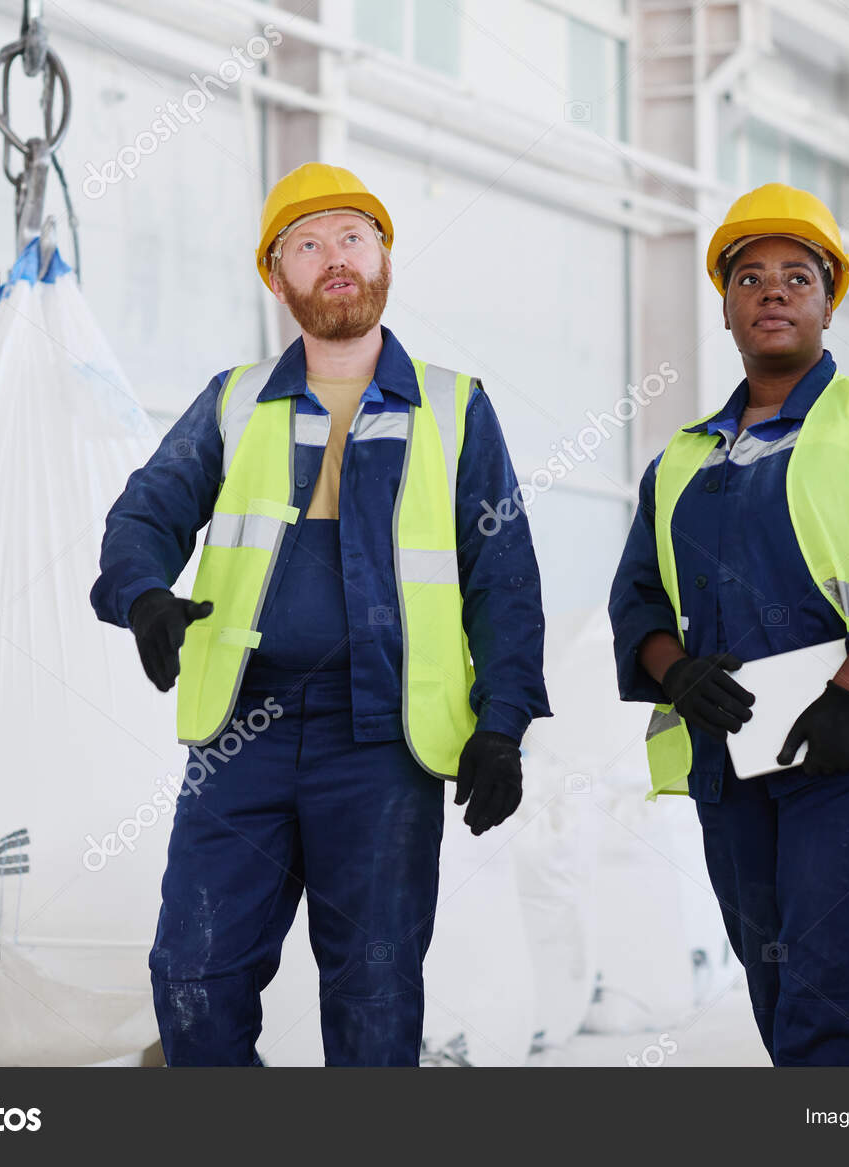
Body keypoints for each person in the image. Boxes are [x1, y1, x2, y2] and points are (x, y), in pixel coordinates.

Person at [91, 162, 550, 1066]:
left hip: (383, 742)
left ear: (383, 257)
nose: (332, 258)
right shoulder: (234, 400)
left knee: (373, 998)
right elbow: (143, 514)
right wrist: (142, 594)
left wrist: (503, 725)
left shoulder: (455, 408)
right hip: (242, 734)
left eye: (351, 237)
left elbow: (505, 580)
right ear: (277, 277)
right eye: (306, 244)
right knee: (193, 977)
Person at [608, 183, 849, 1066]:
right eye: (752, 277)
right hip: (734, 761)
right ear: (726, 306)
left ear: (828, 301)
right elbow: (638, 598)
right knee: (778, 997)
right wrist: (674, 670)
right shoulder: (682, 458)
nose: (774, 290)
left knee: (831, 1003)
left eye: (797, 276)